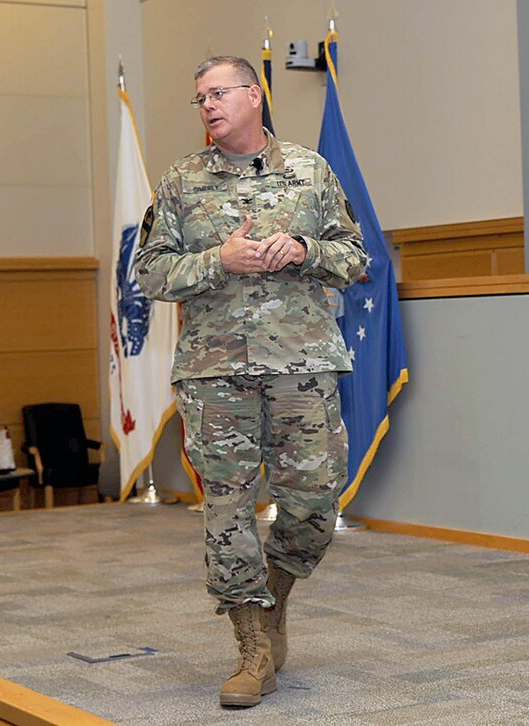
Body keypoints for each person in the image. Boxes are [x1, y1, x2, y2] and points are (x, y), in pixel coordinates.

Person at [135, 56, 367, 708]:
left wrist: (304, 250)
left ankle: (273, 595)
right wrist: (219, 259)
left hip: (303, 364)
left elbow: (354, 257)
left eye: (217, 93)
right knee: (227, 510)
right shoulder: (181, 181)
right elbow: (149, 274)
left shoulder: (311, 172)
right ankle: (252, 648)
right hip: (215, 373)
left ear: (253, 95)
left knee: (316, 503)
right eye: (199, 97)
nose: (207, 105)